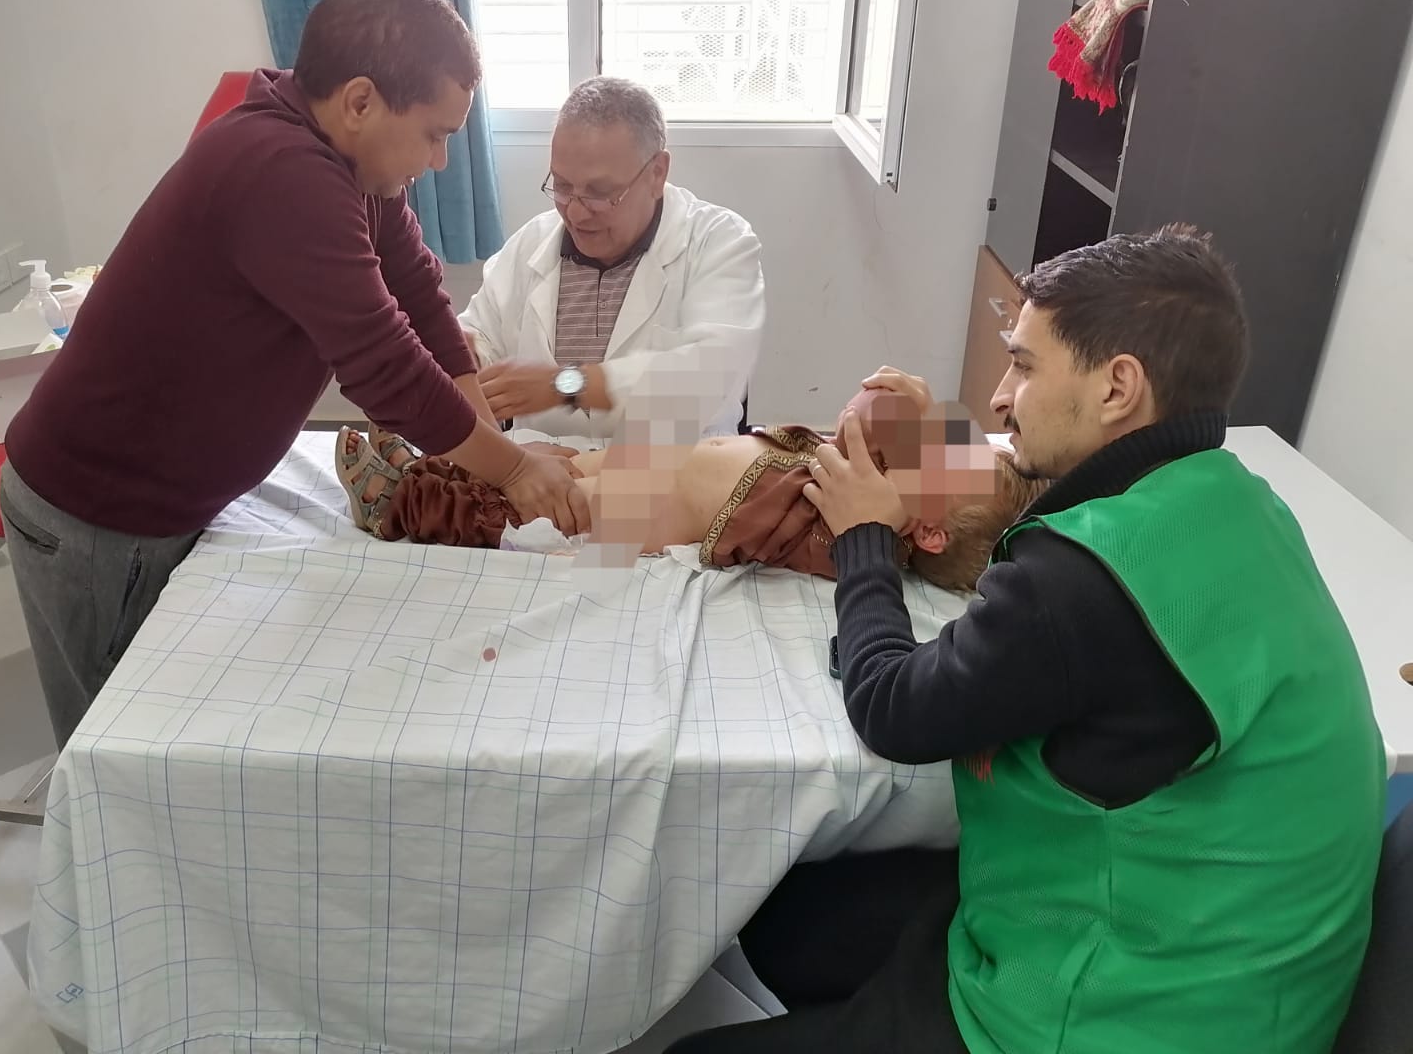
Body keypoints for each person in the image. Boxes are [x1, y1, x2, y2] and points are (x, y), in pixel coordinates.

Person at [666, 225, 1388, 1054]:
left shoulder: (1082, 580)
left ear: (1118, 388)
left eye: (1025, 366)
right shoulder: (1237, 500)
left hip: (1126, 1023)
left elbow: (894, 709)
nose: (1001, 398)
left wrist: (865, 539)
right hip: (1234, 968)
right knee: (790, 918)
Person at [0, 0, 587, 747]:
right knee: (119, 749)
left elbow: (418, 291)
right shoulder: (282, 171)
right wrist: (509, 469)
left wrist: (484, 440)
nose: (443, 159)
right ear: (361, 102)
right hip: (99, 515)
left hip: (166, 501)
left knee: (165, 736)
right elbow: (384, 366)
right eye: (434, 133)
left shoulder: (352, 163)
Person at [334, 375, 1029, 594]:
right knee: (548, 464)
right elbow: (871, 408)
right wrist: (921, 404)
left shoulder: (848, 534)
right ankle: (427, 467)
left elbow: (863, 423)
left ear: (927, 532)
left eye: (944, 459)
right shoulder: (870, 473)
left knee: (540, 509)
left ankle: (400, 503)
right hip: (648, 457)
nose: (932, 448)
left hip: (642, 512)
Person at [457, 77, 766, 442]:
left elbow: (709, 377)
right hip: (537, 463)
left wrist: (565, 385)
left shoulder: (719, 242)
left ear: (657, 173)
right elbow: (480, 335)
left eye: (600, 193)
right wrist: (468, 356)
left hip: (669, 466)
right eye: (562, 185)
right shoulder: (531, 243)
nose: (575, 213)